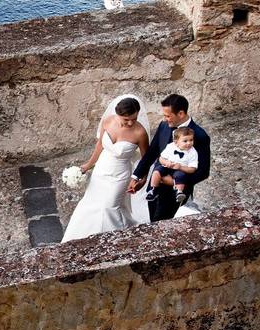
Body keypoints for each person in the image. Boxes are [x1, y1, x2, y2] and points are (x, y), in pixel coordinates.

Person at [62, 95, 150, 242]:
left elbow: (145, 159)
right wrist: (88, 165)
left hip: (120, 175)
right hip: (101, 170)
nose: (130, 123)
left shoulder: (140, 133)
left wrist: (143, 178)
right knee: (92, 202)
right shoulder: (108, 121)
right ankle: (85, 235)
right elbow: (100, 145)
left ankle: (115, 240)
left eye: (133, 119)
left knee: (110, 206)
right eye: (125, 119)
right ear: (118, 115)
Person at [129, 94, 211, 222]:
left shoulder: (200, 136)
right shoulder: (163, 126)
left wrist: (173, 182)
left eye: (168, 116)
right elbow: (152, 152)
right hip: (155, 185)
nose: (165, 119)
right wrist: (136, 176)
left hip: (176, 191)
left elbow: (203, 172)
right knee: (153, 219)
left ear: (181, 113)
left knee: (161, 223)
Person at [146, 126, 198, 206]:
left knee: (181, 176)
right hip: (167, 166)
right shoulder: (170, 146)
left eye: (191, 140)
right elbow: (161, 158)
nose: (189, 143)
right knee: (156, 171)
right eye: (185, 141)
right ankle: (153, 189)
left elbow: (192, 169)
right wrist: (166, 162)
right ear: (176, 142)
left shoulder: (193, 152)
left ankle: (179, 192)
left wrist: (180, 167)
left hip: (180, 169)